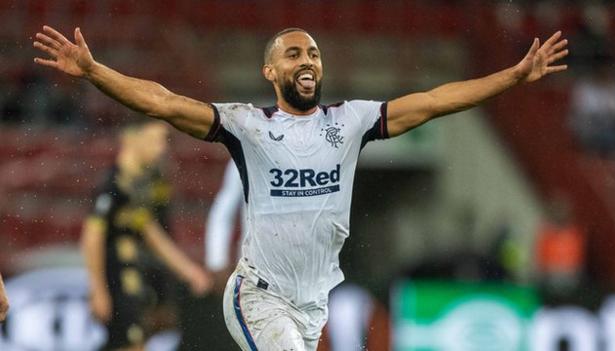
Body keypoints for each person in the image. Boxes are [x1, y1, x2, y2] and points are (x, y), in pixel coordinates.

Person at [33, 25, 568, 350]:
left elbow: (434, 101)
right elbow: (164, 102)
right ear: (270, 70)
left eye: (312, 53)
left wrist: (512, 77)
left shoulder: (352, 121)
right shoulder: (247, 125)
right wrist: (95, 71)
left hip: (314, 304)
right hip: (259, 296)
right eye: (293, 54)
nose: (306, 61)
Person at [80, 121, 212, 351]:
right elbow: (91, 238)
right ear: (131, 139)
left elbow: (152, 233)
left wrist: (188, 271)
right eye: (155, 140)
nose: (161, 148)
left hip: (138, 277)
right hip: (117, 280)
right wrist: (98, 290)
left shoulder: (143, 184)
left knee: (133, 343)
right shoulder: (113, 185)